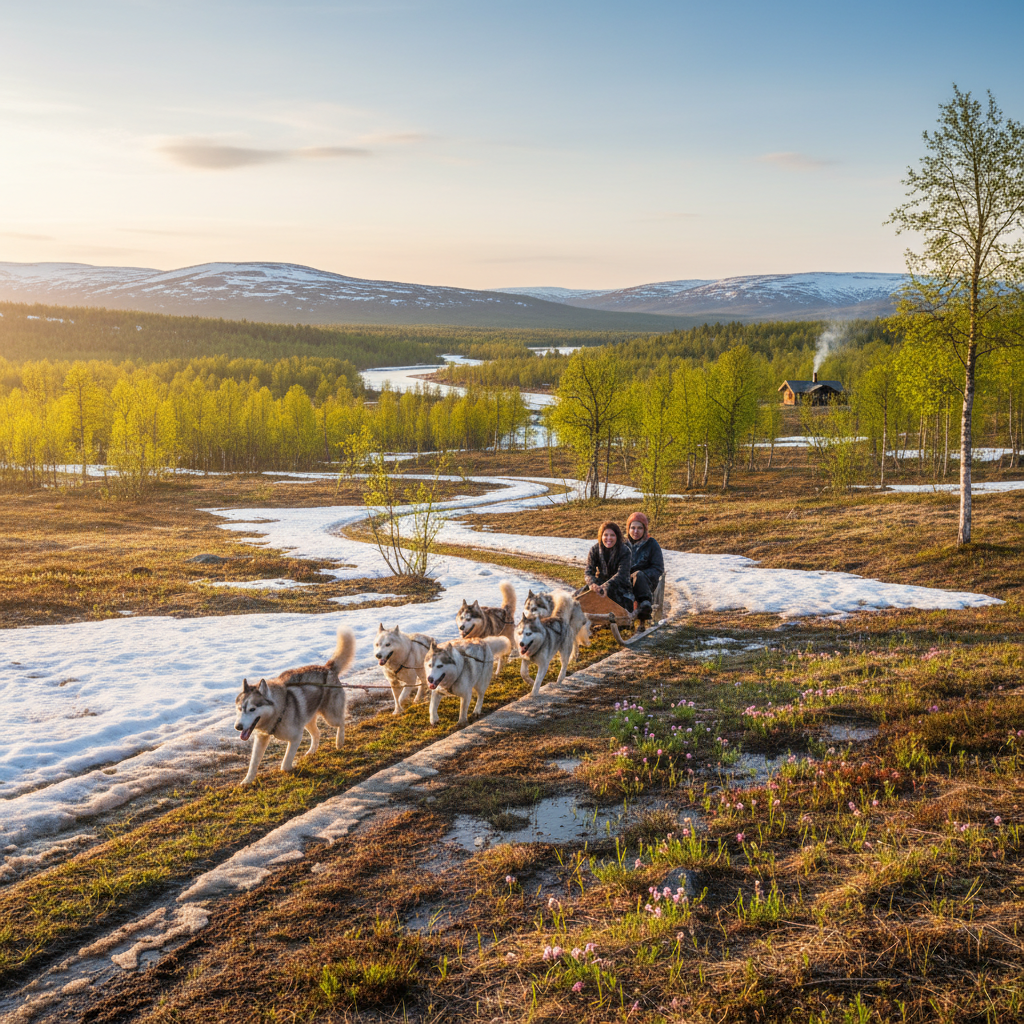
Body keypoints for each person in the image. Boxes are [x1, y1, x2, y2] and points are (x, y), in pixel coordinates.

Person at [624, 511, 664, 622]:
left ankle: (645, 605)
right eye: (633, 528)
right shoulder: (623, 544)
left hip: (646, 582)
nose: (635, 531)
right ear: (628, 529)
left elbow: (658, 568)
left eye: (639, 528)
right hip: (625, 580)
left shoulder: (651, 544)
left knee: (638, 575)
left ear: (645, 529)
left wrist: (642, 575)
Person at [584, 521, 633, 610]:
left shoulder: (625, 551)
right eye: (606, 535)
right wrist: (592, 583)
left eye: (612, 535)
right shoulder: (594, 550)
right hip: (600, 583)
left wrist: (606, 586)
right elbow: (588, 571)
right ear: (601, 536)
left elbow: (622, 574)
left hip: (619, 586)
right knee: (581, 596)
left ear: (617, 537)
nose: (609, 538)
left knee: (618, 604)